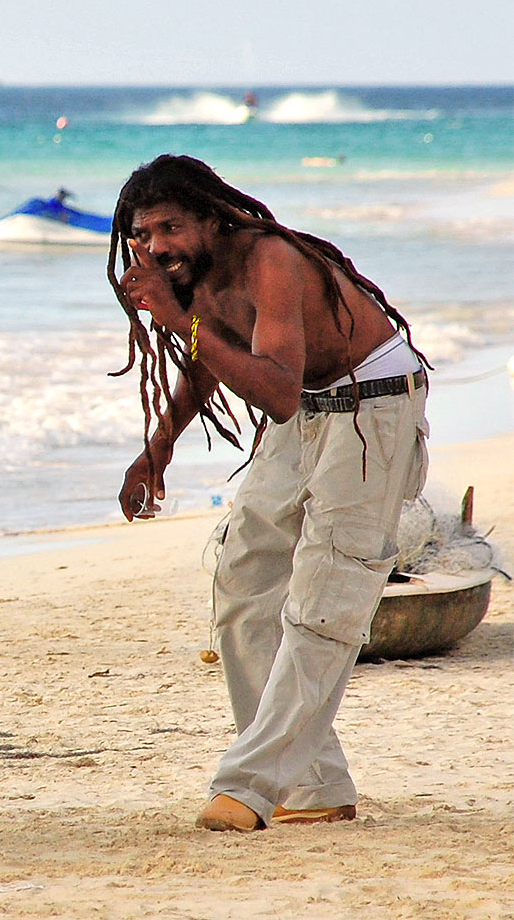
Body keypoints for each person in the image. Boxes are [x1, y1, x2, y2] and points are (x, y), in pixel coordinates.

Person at [110, 154, 429, 833]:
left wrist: (176, 320)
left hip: (371, 404)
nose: (158, 244)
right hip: (311, 404)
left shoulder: (269, 259)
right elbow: (209, 359)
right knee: (243, 576)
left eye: (170, 225)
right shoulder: (188, 278)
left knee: (325, 597)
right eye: (145, 233)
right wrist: (155, 450)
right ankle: (314, 786)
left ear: (210, 217)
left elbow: (275, 393)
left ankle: (249, 784)